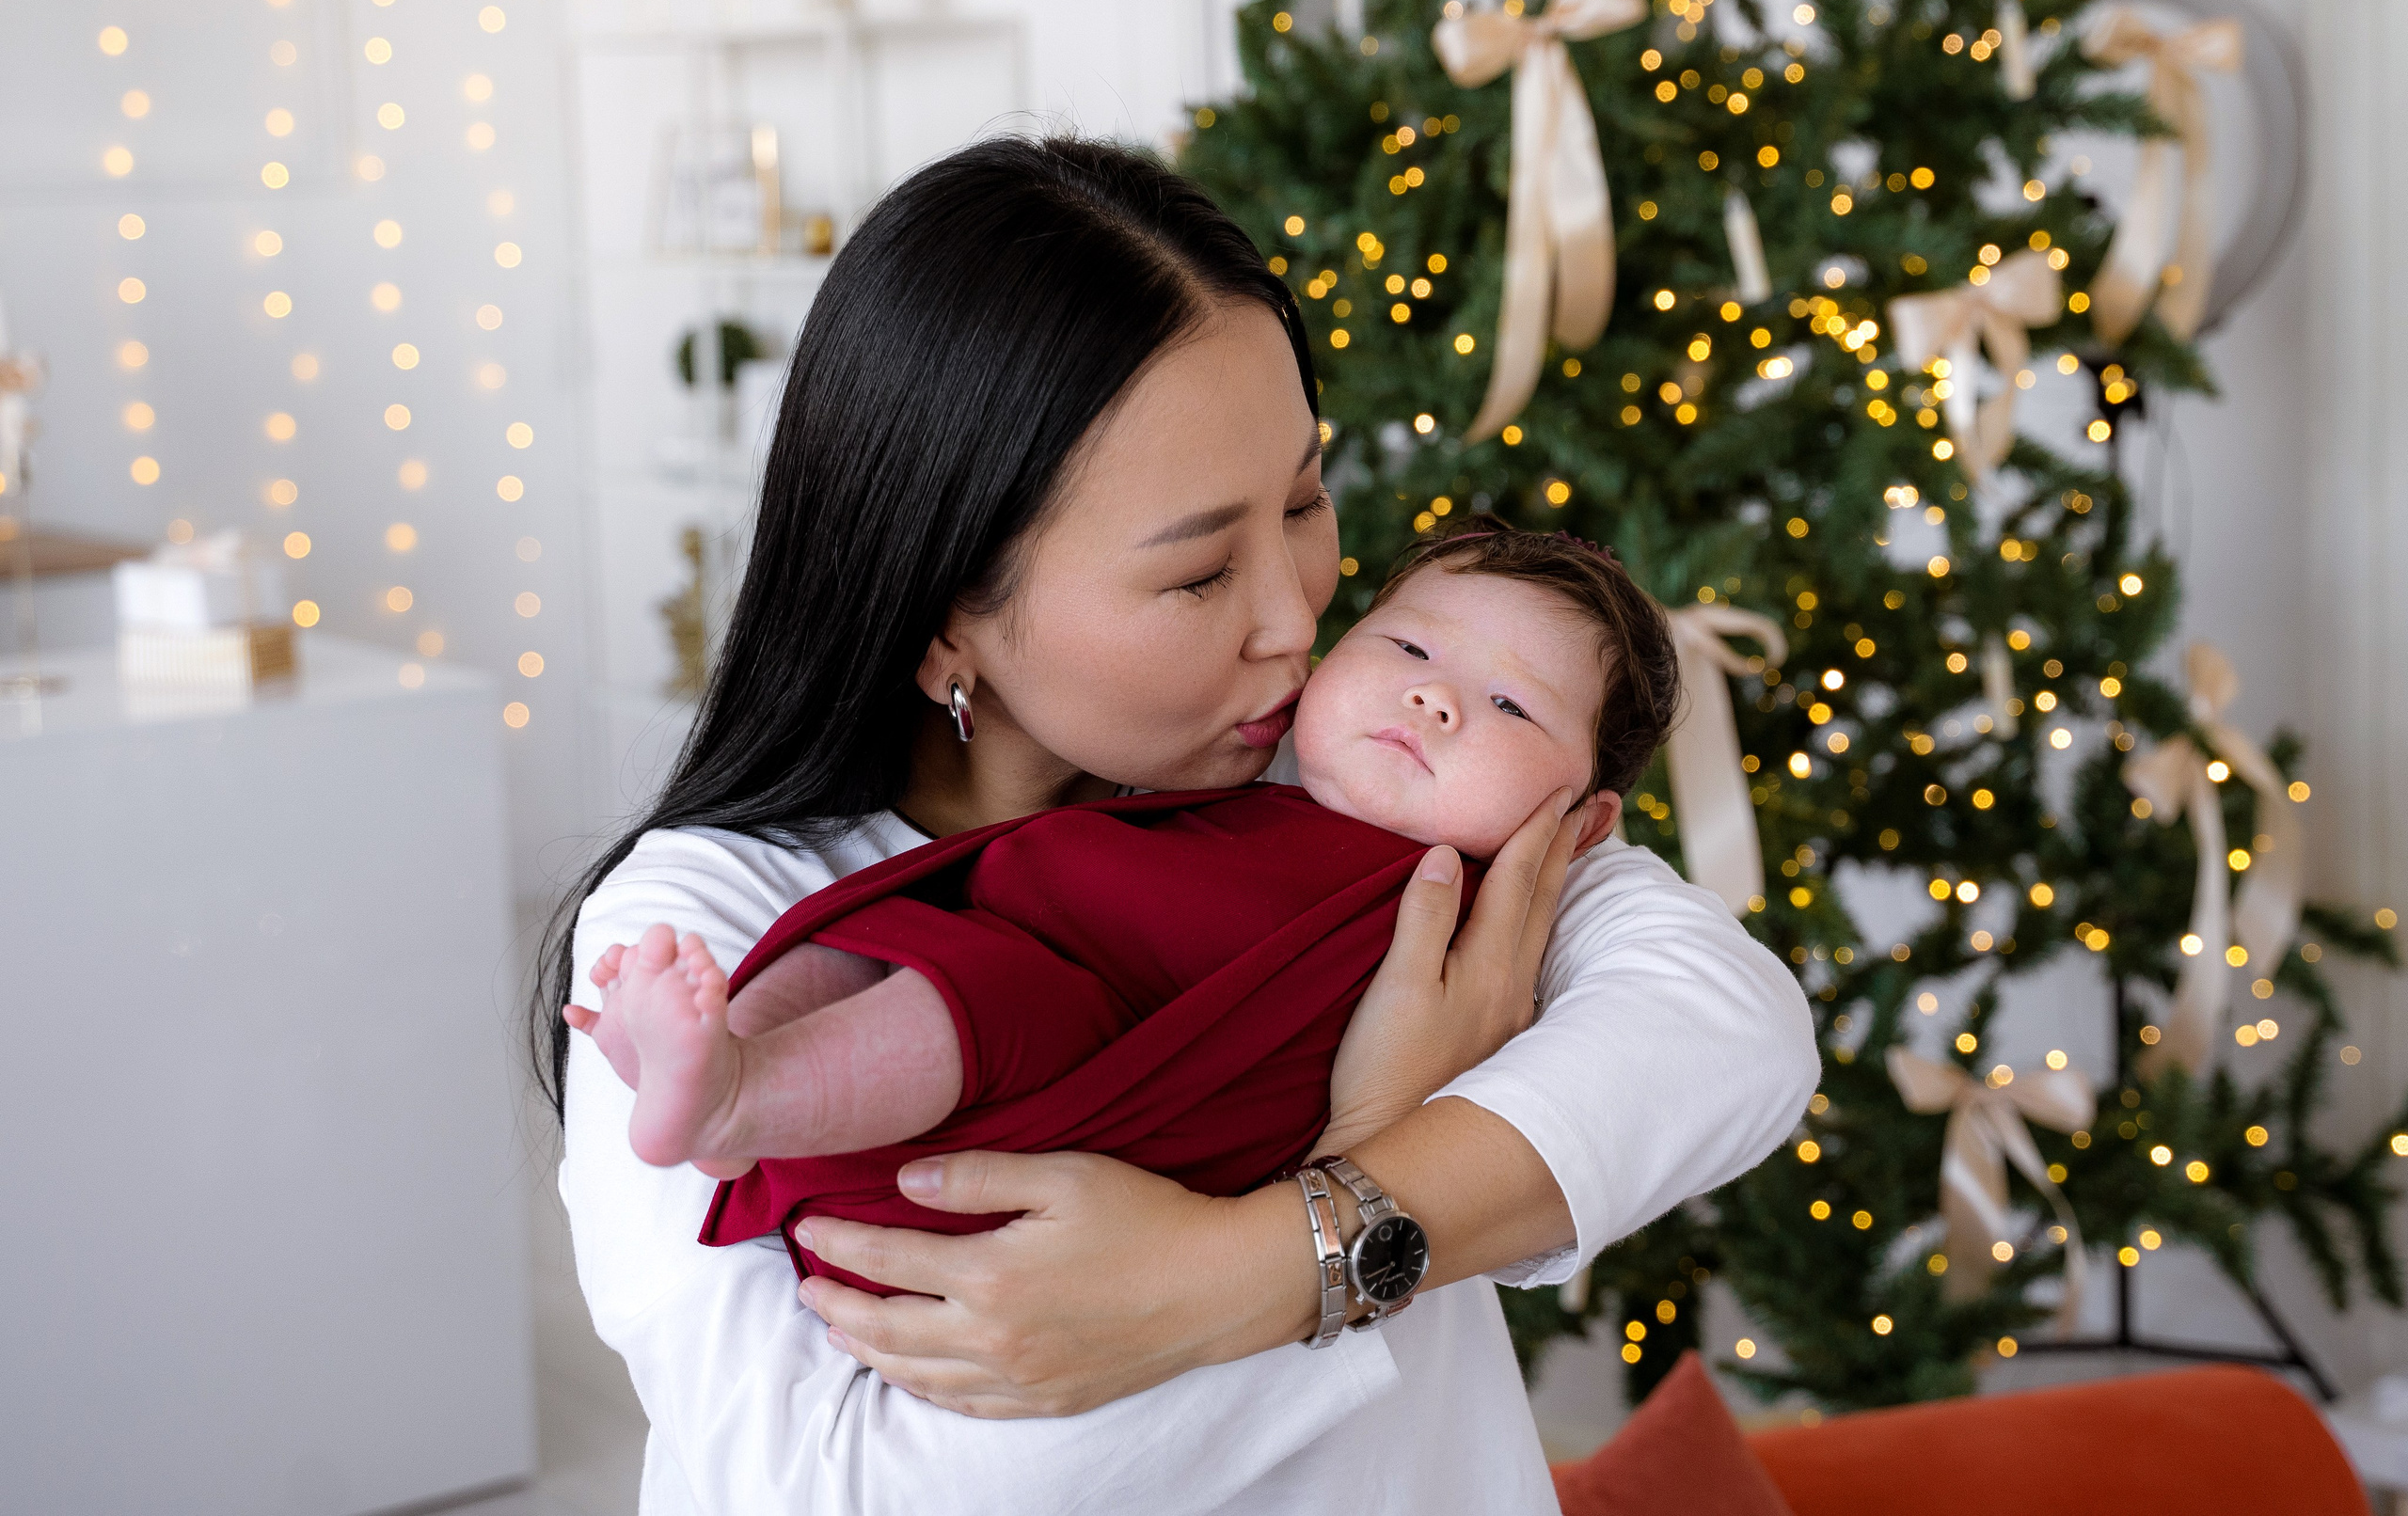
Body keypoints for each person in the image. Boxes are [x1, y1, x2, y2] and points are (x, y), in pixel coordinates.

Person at [541, 135, 1819, 1515]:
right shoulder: (700, 931)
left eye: (1306, 500)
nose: (1296, 617)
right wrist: (1366, 1179)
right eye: (1202, 572)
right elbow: (829, 1489)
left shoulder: (1354, 774)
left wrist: (1268, 1257)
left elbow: (1734, 1029)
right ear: (948, 613)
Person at [569, 521, 1682, 1299]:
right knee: (876, 934)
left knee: (979, 992)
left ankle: (740, 1093)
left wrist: (1368, 1152)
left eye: (1509, 705)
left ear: (1584, 821)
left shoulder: (1488, 915)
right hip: (999, 948)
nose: (1432, 696)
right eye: (1406, 646)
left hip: (1065, 1053)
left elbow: (1731, 1020)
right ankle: (724, 1053)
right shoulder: (1258, 765)